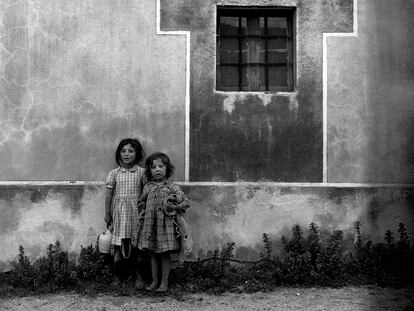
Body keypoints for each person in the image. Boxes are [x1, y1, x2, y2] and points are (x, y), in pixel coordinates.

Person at [138, 152, 190, 292]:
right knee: (153, 254)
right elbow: (141, 203)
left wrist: (174, 206)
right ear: (149, 171)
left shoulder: (172, 187)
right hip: (151, 226)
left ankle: (164, 283)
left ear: (167, 169)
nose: (157, 169)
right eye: (153, 167)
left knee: (164, 255)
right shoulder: (147, 187)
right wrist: (143, 210)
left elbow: (186, 202)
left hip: (166, 227)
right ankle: (154, 281)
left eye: (161, 166)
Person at [104, 138, 146, 288]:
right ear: (119, 154)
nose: (126, 154)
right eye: (123, 151)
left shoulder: (142, 173)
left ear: (137, 154)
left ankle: (139, 277)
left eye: (131, 151)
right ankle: (117, 277)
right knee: (118, 246)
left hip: (136, 214)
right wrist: (107, 213)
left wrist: (145, 210)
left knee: (138, 246)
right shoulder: (114, 173)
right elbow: (109, 195)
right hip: (120, 215)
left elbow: (146, 192)